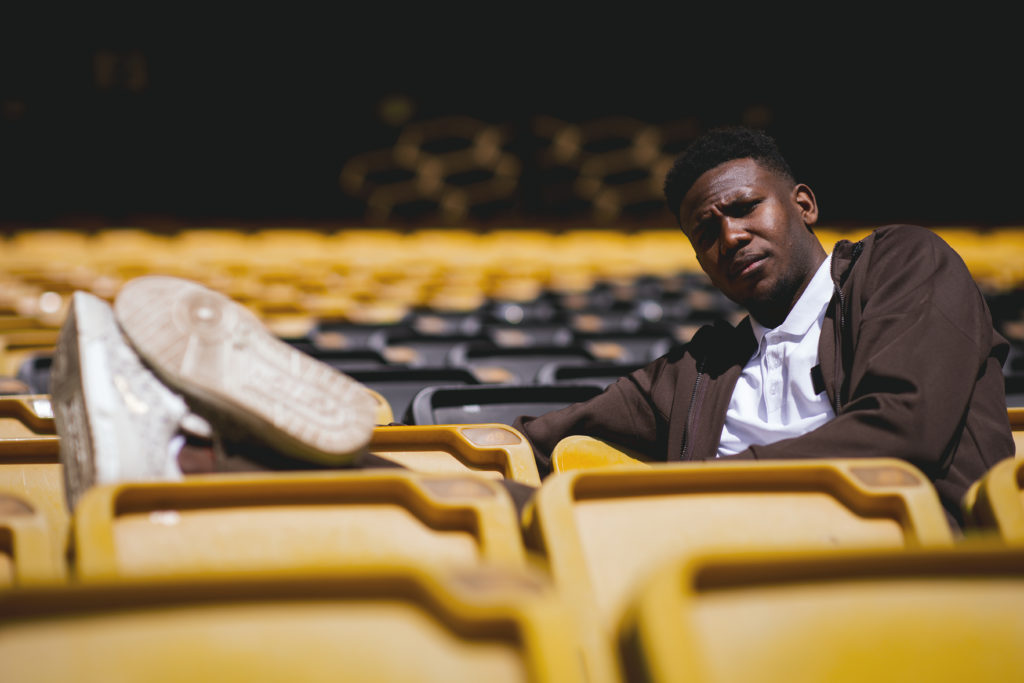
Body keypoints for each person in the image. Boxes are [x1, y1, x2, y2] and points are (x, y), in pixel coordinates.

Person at [513, 126, 1014, 528]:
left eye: (745, 208)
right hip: (728, 583)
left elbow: (904, 429)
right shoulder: (698, 371)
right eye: (706, 232)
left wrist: (701, 482)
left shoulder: (901, 265)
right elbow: (532, 442)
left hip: (913, 571)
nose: (731, 237)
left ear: (804, 205)